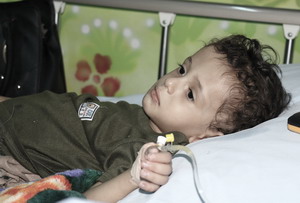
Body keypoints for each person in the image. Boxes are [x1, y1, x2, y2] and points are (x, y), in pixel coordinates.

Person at [0, 34, 291, 202]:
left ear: (208, 134)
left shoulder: (143, 145)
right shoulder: (141, 116)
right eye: (181, 69)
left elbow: (90, 199)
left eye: (190, 94)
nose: (170, 83)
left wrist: (132, 176)